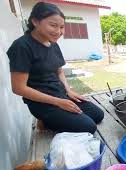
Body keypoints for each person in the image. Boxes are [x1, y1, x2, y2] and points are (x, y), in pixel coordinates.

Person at [7, 2, 104, 134]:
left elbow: (59, 71)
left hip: (60, 95)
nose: (59, 32)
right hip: (42, 103)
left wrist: (68, 91)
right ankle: (45, 120)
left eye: (62, 27)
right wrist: (58, 102)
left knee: (98, 115)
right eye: (53, 25)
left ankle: (53, 119)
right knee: (88, 127)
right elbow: (18, 88)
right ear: (35, 21)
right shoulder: (22, 46)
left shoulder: (53, 44)